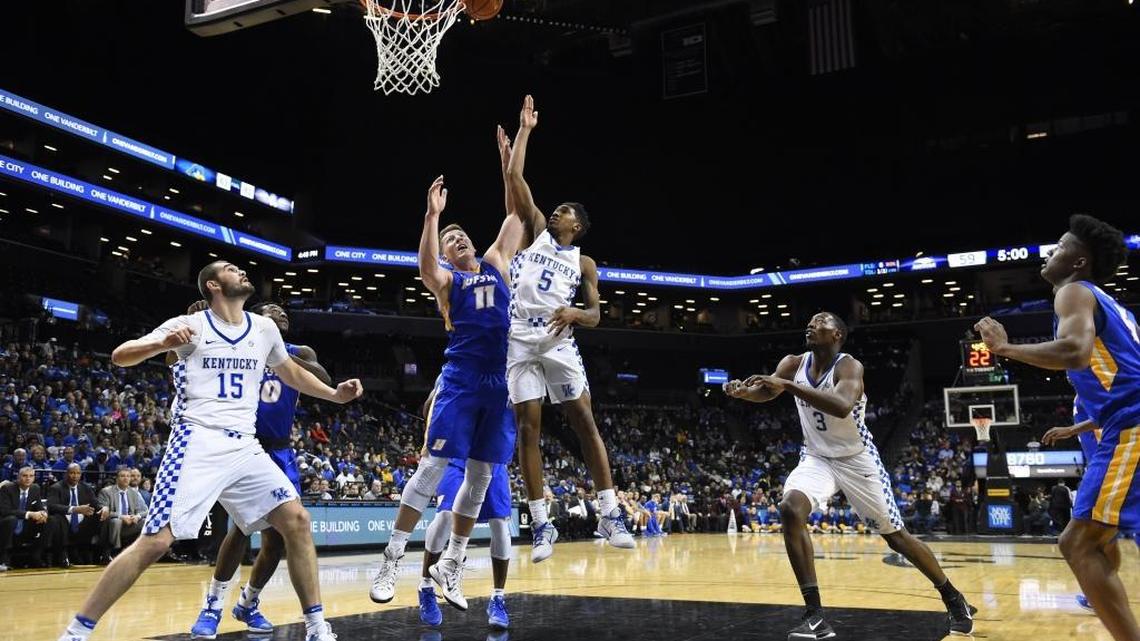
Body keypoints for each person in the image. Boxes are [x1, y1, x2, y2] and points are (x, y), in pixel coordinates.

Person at [56, 260, 362, 641]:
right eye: (233, 270)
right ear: (214, 285)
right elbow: (121, 354)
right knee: (156, 541)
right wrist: (160, 343)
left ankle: (317, 627)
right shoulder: (193, 326)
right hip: (197, 442)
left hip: (246, 446)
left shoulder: (264, 329)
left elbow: (290, 373)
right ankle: (76, 631)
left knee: (297, 521)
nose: (243, 273)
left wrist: (333, 394)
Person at [725, 311, 975, 639]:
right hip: (816, 458)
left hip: (857, 460)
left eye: (821, 322)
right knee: (789, 509)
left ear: (837, 335)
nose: (812, 325)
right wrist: (746, 394)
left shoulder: (849, 366)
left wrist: (786, 385)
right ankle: (815, 616)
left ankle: (953, 597)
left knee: (896, 538)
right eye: (810, 321)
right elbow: (768, 391)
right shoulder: (792, 363)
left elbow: (842, 405)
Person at [370, 128, 523, 612]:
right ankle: (392, 556)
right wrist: (432, 217)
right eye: (449, 239)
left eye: (461, 234)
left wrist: (510, 156)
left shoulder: (498, 261)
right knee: (434, 468)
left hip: (501, 385)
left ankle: (453, 563)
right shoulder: (447, 281)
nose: (459, 239)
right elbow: (424, 267)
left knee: (480, 477)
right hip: (460, 379)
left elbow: (517, 212)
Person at [975, 214, 1138, 641]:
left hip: (1131, 425)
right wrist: (1082, 425)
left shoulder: (1074, 292)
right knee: (1098, 539)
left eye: (1061, 246)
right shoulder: (1112, 305)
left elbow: (1075, 351)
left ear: (1079, 262)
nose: (1051, 252)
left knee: (1078, 543)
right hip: (1120, 420)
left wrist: (1004, 347)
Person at [503, 94, 634, 561]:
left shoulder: (585, 262)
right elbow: (516, 178)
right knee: (527, 429)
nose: (555, 212)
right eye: (555, 209)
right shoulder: (536, 228)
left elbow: (597, 315)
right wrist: (525, 131)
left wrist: (576, 314)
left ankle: (610, 513)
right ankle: (541, 525)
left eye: (564, 211)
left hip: (558, 340)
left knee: (583, 422)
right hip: (519, 337)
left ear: (577, 225)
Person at [187, 301, 331, 638]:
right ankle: (212, 605)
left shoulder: (299, 350)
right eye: (272, 310)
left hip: (280, 453)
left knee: (278, 541)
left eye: (283, 314)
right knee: (241, 528)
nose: (280, 314)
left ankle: (248, 603)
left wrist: (277, 352)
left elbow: (322, 378)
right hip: (244, 446)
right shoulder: (238, 345)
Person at [414, 380, 515, 629]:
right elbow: (429, 408)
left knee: (501, 524)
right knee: (446, 515)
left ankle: (498, 598)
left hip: (493, 454)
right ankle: (426, 586)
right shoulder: (462, 365)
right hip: (457, 453)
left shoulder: (512, 365)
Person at [47, 463, 106, 566]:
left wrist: (104, 507)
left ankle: (104, 554)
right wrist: (74, 509)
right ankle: (63, 555)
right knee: (56, 518)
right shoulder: (56, 487)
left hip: (82, 522)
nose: (75, 476)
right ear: (66, 474)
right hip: (65, 519)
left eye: (78, 473)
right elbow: (52, 506)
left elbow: (96, 503)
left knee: (102, 516)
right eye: (72, 473)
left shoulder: (85, 487)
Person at [0, 466, 50, 570]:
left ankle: (36, 556)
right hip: (6, 525)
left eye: (31, 476)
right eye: (24, 476)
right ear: (18, 477)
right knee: (11, 519)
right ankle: (4, 559)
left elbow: (40, 507)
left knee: (49, 521)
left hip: (25, 526)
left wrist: (43, 514)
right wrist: (30, 514)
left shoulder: (35, 488)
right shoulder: (7, 488)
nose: (28, 479)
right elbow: (5, 511)